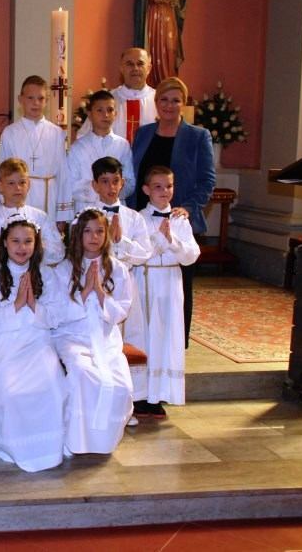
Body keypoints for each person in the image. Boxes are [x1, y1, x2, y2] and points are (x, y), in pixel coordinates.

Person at [129, 76, 215, 344]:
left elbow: (207, 181)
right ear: (156, 103)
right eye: (164, 100)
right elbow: (134, 174)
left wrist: (187, 208)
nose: (169, 105)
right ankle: (142, 340)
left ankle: (177, 343)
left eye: (175, 100)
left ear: (184, 103)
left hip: (177, 217)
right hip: (143, 218)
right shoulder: (143, 133)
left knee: (180, 284)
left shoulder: (198, 136)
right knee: (140, 280)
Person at [0, 213, 66, 472]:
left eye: (28, 241)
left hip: (38, 340)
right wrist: (17, 304)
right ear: (4, 243)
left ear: (36, 244)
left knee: (52, 386)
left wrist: (34, 306)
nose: (21, 247)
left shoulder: (47, 276)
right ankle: (14, 445)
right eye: (15, 241)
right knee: (10, 390)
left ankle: (48, 447)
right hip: (5, 343)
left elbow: (56, 316)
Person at [51, 208, 134, 456]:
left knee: (121, 385)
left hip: (106, 338)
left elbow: (121, 311)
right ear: (78, 235)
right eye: (87, 231)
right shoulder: (63, 269)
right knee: (82, 374)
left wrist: (100, 293)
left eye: (99, 231)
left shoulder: (118, 269)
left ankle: (103, 440)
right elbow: (56, 312)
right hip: (72, 336)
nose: (94, 237)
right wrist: (85, 292)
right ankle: (76, 440)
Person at [133, 166, 200, 419]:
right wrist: (159, 242)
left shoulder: (180, 220)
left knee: (167, 336)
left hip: (171, 282)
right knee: (146, 335)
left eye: (169, 186)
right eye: (158, 187)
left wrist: (172, 241)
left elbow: (191, 256)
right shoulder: (138, 218)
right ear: (146, 189)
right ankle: (141, 395)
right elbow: (137, 253)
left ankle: (160, 393)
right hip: (146, 281)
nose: (164, 191)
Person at [89, 157, 152, 421]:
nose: (111, 187)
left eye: (115, 181)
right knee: (101, 341)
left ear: (123, 183)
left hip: (126, 286)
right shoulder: (87, 216)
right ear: (94, 185)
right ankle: (98, 399)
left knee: (130, 339)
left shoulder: (133, 217)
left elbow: (145, 252)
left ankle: (129, 405)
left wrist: (121, 240)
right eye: (104, 182)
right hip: (95, 285)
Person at [0, 75, 71, 224]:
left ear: (47, 101)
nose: (36, 103)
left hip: (49, 197)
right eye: (30, 98)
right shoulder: (10, 133)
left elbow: (63, 173)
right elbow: (2, 172)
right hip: (19, 196)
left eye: (41, 98)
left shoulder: (56, 133)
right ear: (20, 99)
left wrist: (62, 216)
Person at [0, 159, 63, 267]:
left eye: (22, 182)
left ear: (28, 185)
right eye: (11, 183)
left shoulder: (40, 216)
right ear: (0, 186)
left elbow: (57, 252)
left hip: (35, 271)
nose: (17, 188)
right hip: (2, 272)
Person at [65, 90, 135, 213]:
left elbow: (130, 182)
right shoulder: (78, 147)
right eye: (100, 110)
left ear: (115, 114)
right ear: (90, 114)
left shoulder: (123, 145)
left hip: (116, 210)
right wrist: (100, 192)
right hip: (87, 210)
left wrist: (112, 192)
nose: (106, 115)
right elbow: (71, 184)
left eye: (110, 110)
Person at [77, 49, 158, 144]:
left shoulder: (160, 101)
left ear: (149, 68)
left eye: (140, 64)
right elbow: (83, 138)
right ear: (121, 68)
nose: (135, 68)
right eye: (129, 64)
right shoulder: (107, 101)